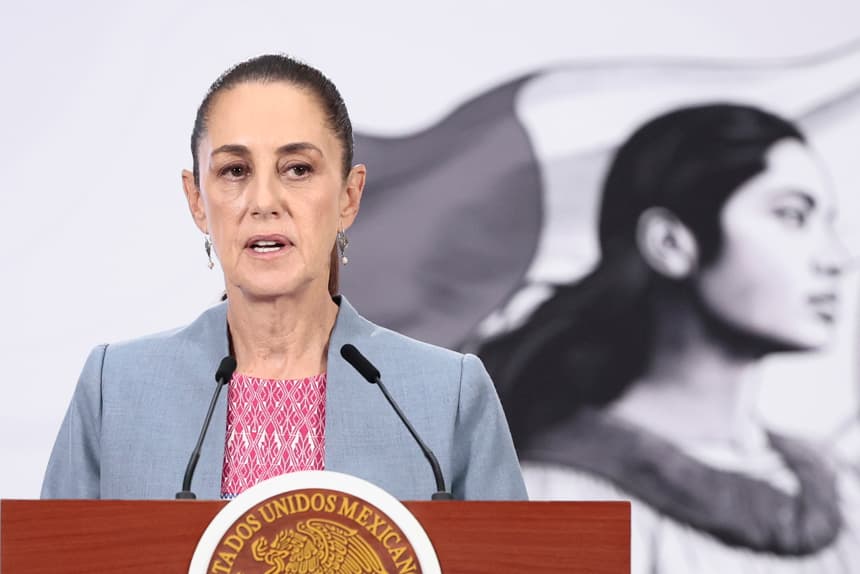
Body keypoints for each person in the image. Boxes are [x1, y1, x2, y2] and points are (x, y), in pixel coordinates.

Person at [41, 54, 526, 502]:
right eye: (235, 170)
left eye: (297, 169)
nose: (264, 201)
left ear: (349, 197)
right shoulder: (116, 389)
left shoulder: (446, 395)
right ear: (196, 200)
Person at [478, 104, 860, 571]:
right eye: (792, 216)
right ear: (670, 243)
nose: (837, 259)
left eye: (829, 223)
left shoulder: (842, 489)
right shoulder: (551, 503)